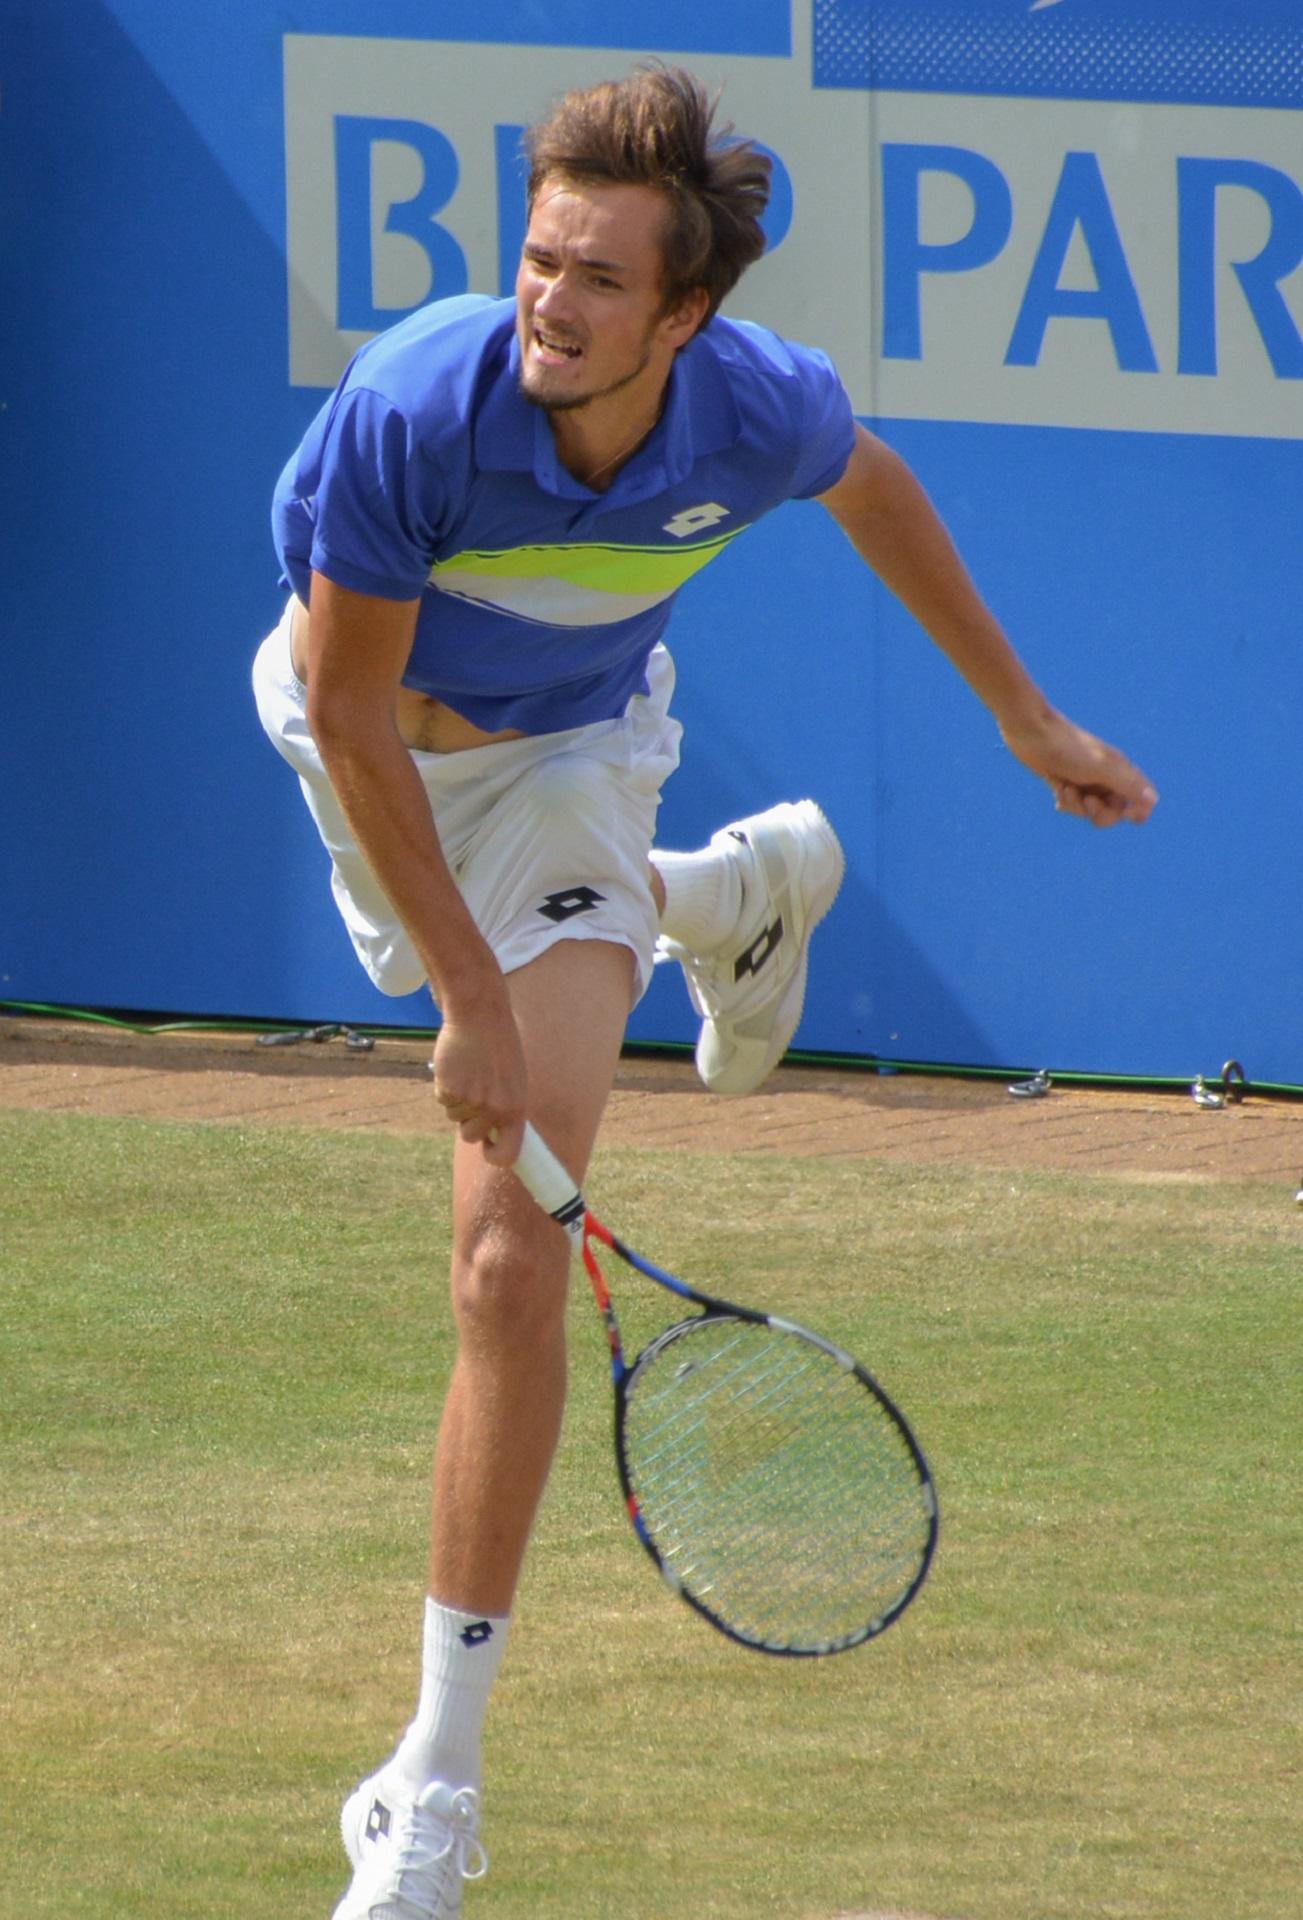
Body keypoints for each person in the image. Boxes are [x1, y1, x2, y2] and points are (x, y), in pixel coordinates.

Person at [253, 64, 1157, 1920]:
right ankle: (721, 903)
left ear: (686, 314)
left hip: (577, 758)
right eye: (536, 259)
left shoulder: (755, 409)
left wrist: (1024, 715)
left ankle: (433, 1790)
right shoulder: (417, 408)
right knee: (499, 1008)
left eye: (597, 279)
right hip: (372, 759)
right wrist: (468, 994)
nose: (549, 304)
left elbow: (872, 483)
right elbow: (350, 716)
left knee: (508, 1253)